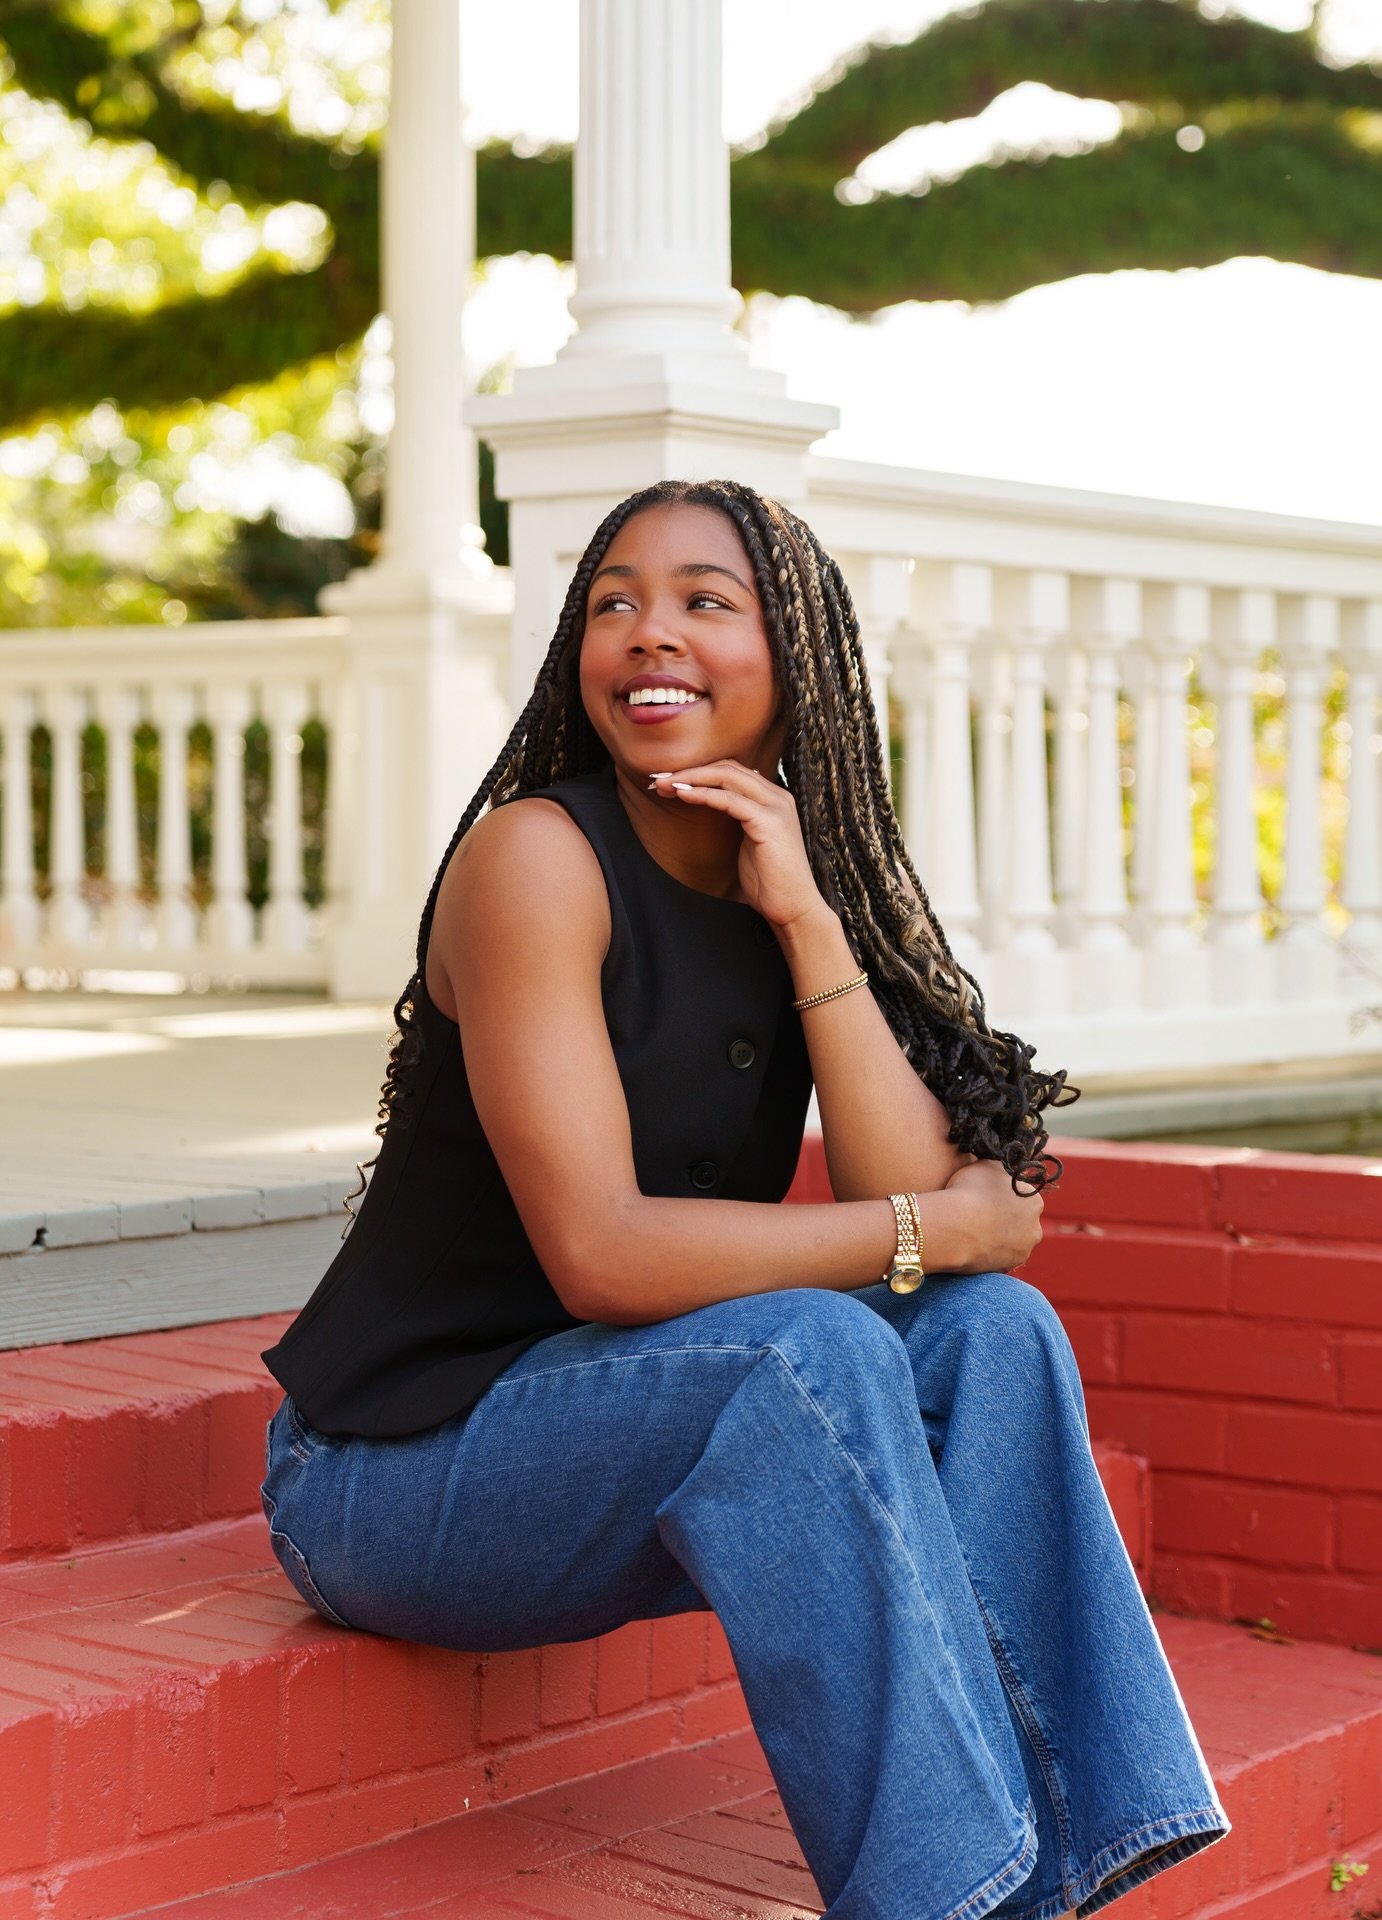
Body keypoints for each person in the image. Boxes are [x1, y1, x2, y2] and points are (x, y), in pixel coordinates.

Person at [260, 479, 1229, 1920]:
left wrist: (808, 915)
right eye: (615, 603)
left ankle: (1055, 1880)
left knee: (995, 1331)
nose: (650, 636)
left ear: (799, 667)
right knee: (815, 1347)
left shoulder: (787, 885)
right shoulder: (537, 859)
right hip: (395, 1475)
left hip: (612, 1429)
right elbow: (603, 1253)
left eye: (707, 602)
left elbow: (908, 1205)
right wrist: (928, 1234)